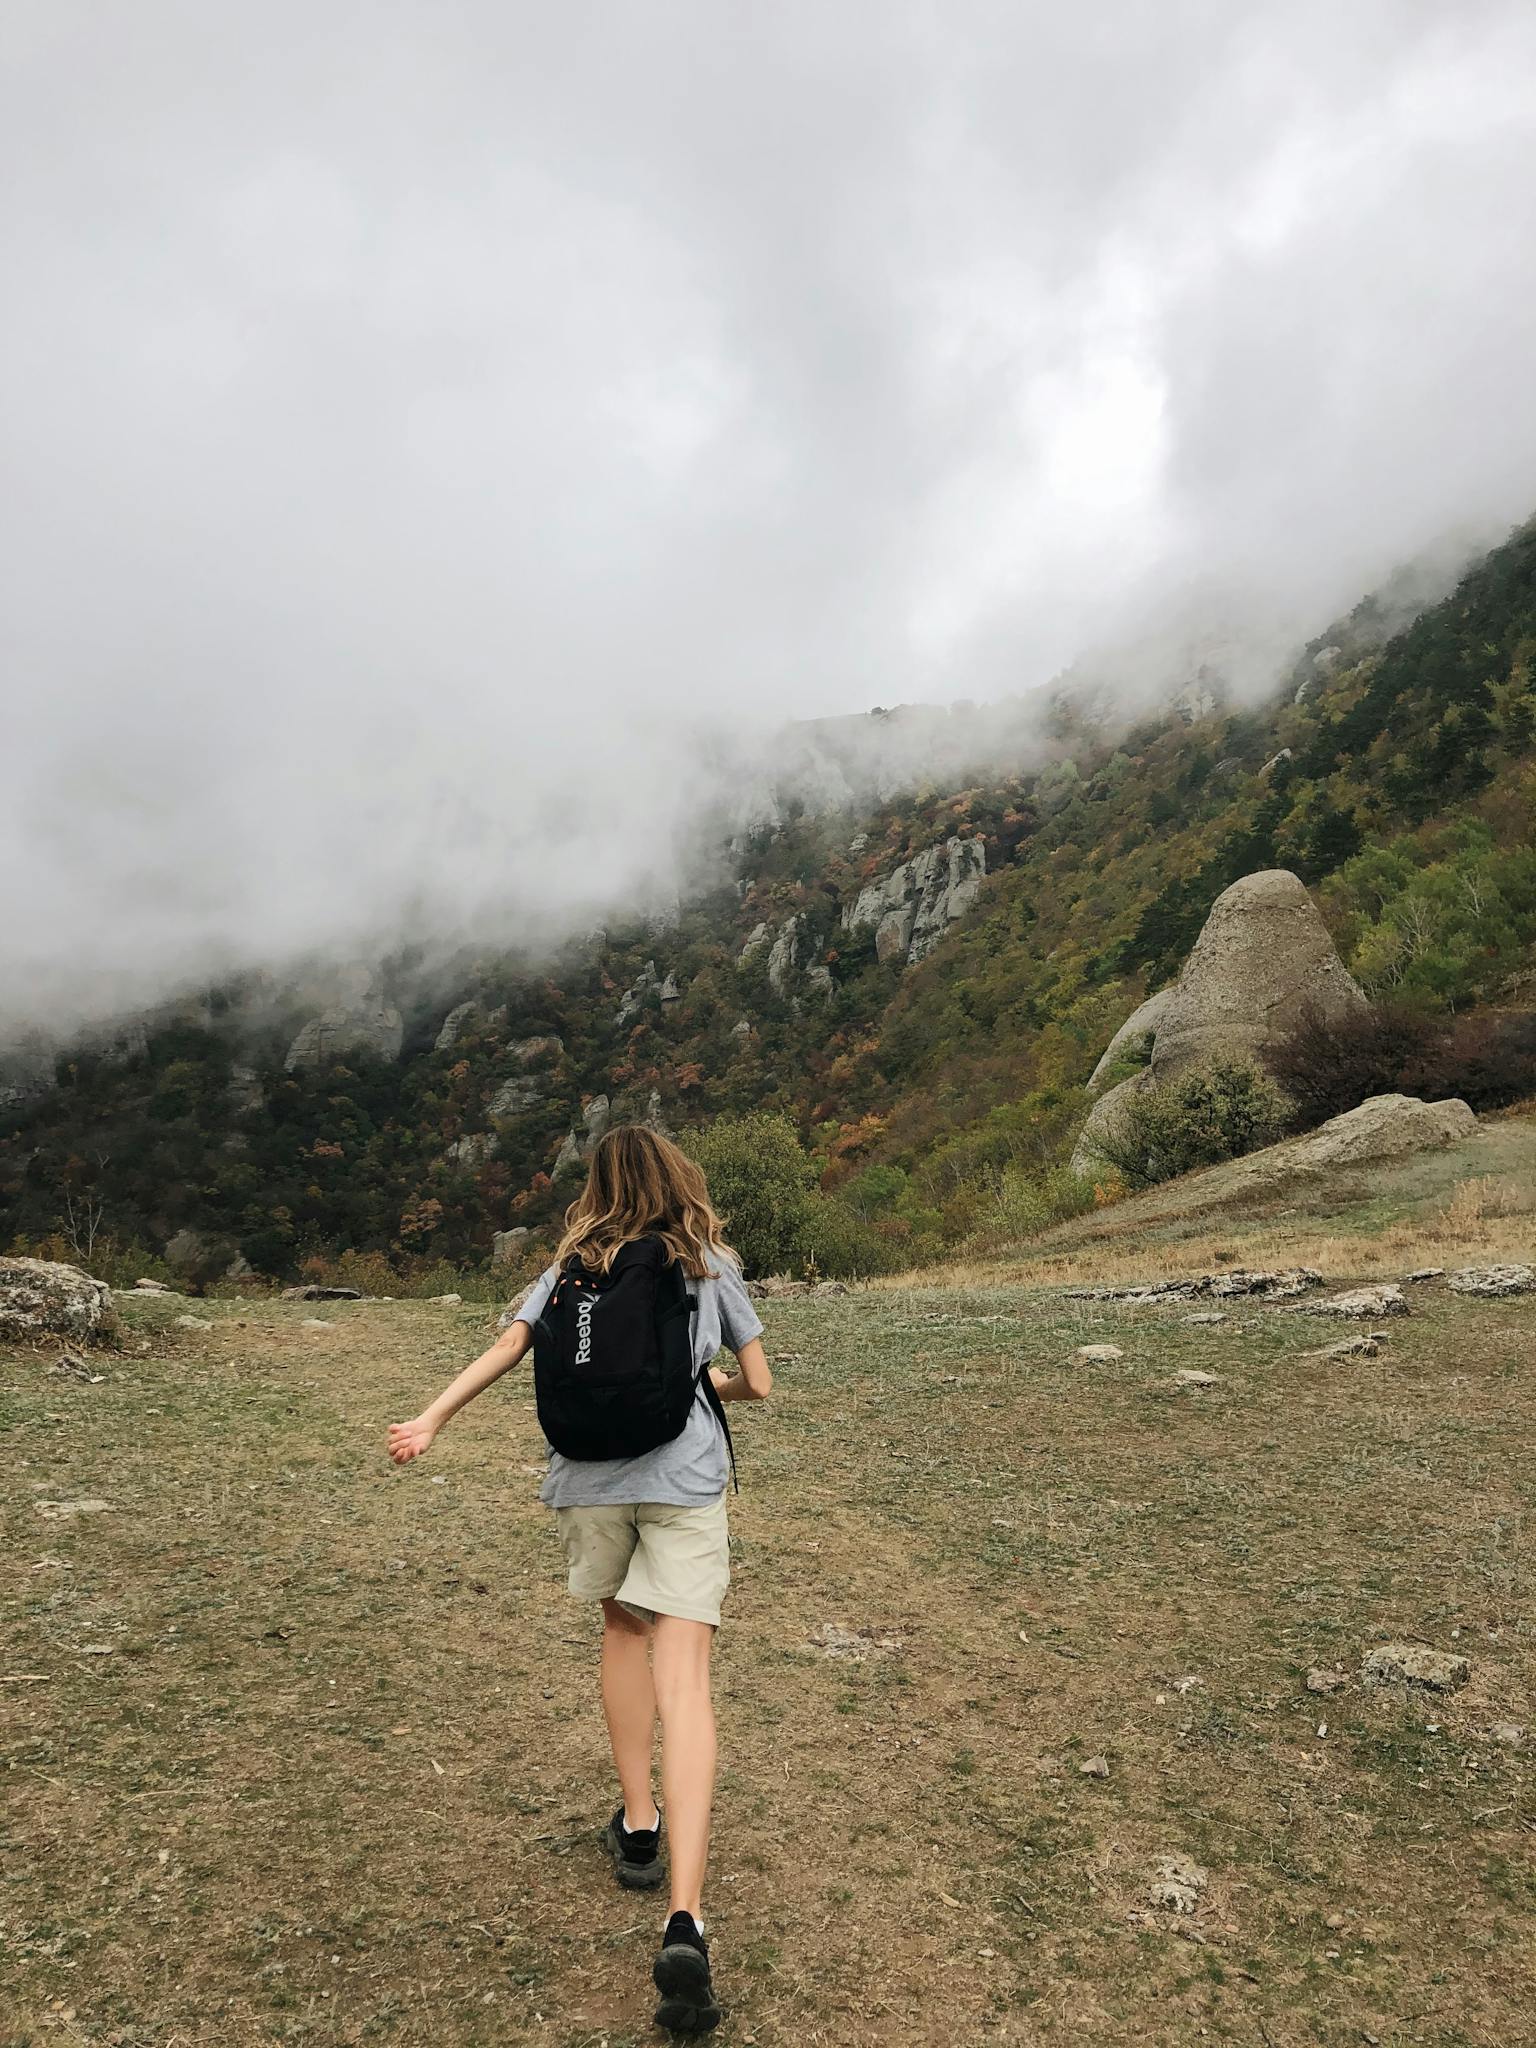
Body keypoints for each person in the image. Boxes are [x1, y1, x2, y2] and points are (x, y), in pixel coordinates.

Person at [386, 1124, 771, 2036]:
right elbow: (758, 1381)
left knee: (623, 1633)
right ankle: (686, 1916)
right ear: (679, 1177)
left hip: (589, 1486)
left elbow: (510, 1350)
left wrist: (430, 1418)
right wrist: (710, 1383)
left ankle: (637, 1822)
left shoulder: (570, 1267)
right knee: (689, 1679)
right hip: (682, 1487)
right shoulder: (705, 1260)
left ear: (596, 1185)